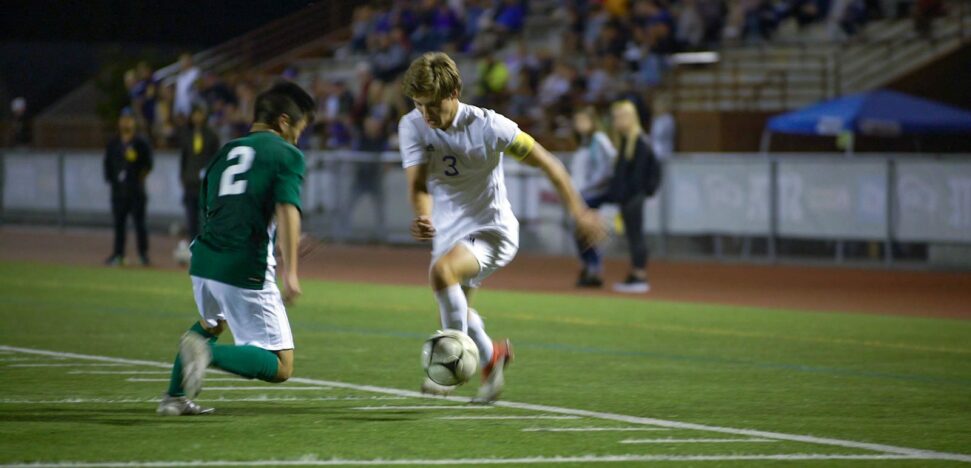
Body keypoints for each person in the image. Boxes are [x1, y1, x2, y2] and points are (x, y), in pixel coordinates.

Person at [398, 52, 605, 402]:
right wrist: (423, 215)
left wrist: (579, 210)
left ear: (454, 92)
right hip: (449, 230)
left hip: (493, 229)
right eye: (419, 105)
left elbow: (548, 162)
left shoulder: (490, 126)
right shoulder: (412, 126)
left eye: (432, 104)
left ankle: (451, 368)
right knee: (455, 307)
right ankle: (492, 356)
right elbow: (418, 184)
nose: (426, 114)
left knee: (443, 273)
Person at [157, 82, 315, 416]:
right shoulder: (286, 154)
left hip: (204, 257)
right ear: (283, 122)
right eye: (298, 129)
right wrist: (290, 272)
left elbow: (212, 207)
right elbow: (288, 208)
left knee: (211, 324)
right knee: (281, 364)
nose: (298, 139)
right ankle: (207, 355)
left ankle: (173, 398)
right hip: (244, 264)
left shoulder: (224, 152)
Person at [608, 100, 662, 294]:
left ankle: (639, 275)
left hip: (633, 197)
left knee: (636, 235)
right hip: (628, 197)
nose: (616, 120)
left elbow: (642, 175)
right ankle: (635, 273)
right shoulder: (625, 142)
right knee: (632, 236)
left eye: (620, 116)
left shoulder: (639, 142)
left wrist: (635, 193)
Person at [569, 107, 617, 288]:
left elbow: (609, 164)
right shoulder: (583, 142)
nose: (579, 124)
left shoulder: (599, 140)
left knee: (589, 231)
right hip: (580, 195)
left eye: (583, 120)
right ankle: (587, 266)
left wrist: (591, 186)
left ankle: (594, 268)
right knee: (579, 232)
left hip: (592, 195)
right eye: (577, 121)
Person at [103, 108, 153, 266]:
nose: (126, 122)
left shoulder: (140, 142)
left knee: (140, 224)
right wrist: (112, 180)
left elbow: (148, 164)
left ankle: (143, 255)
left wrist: (138, 180)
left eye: (129, 119)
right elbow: (107, 164)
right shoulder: (113, 142)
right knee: (119, 224)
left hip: (136, 191)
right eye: (123, 119)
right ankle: (118, 254)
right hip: (118, 191)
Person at [174, 103, 221, 264]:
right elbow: (184, 158)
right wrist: (183, 176)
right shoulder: (187, 135)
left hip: (205, 185)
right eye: (195, 113)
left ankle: (206, 250)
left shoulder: (212, 135)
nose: (197, 117)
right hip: (190, 183)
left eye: (200, 113)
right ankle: (194, 249)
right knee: (191, 218)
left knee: (205, 219)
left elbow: (216, 159)